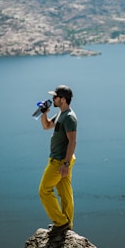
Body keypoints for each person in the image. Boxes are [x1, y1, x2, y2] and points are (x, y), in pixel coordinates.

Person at [39, 85, 77, 236]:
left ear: (63, 99)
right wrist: (44, 113)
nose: (53, 99)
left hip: (59, 161)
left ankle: (60, 222)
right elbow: (46, 126)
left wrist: (65, 164)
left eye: (55, 97)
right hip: (62, 160)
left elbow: (72, 141)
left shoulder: (69, 117)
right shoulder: (61, 113)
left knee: (44, 191)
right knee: (64, 192)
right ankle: (66, 224)